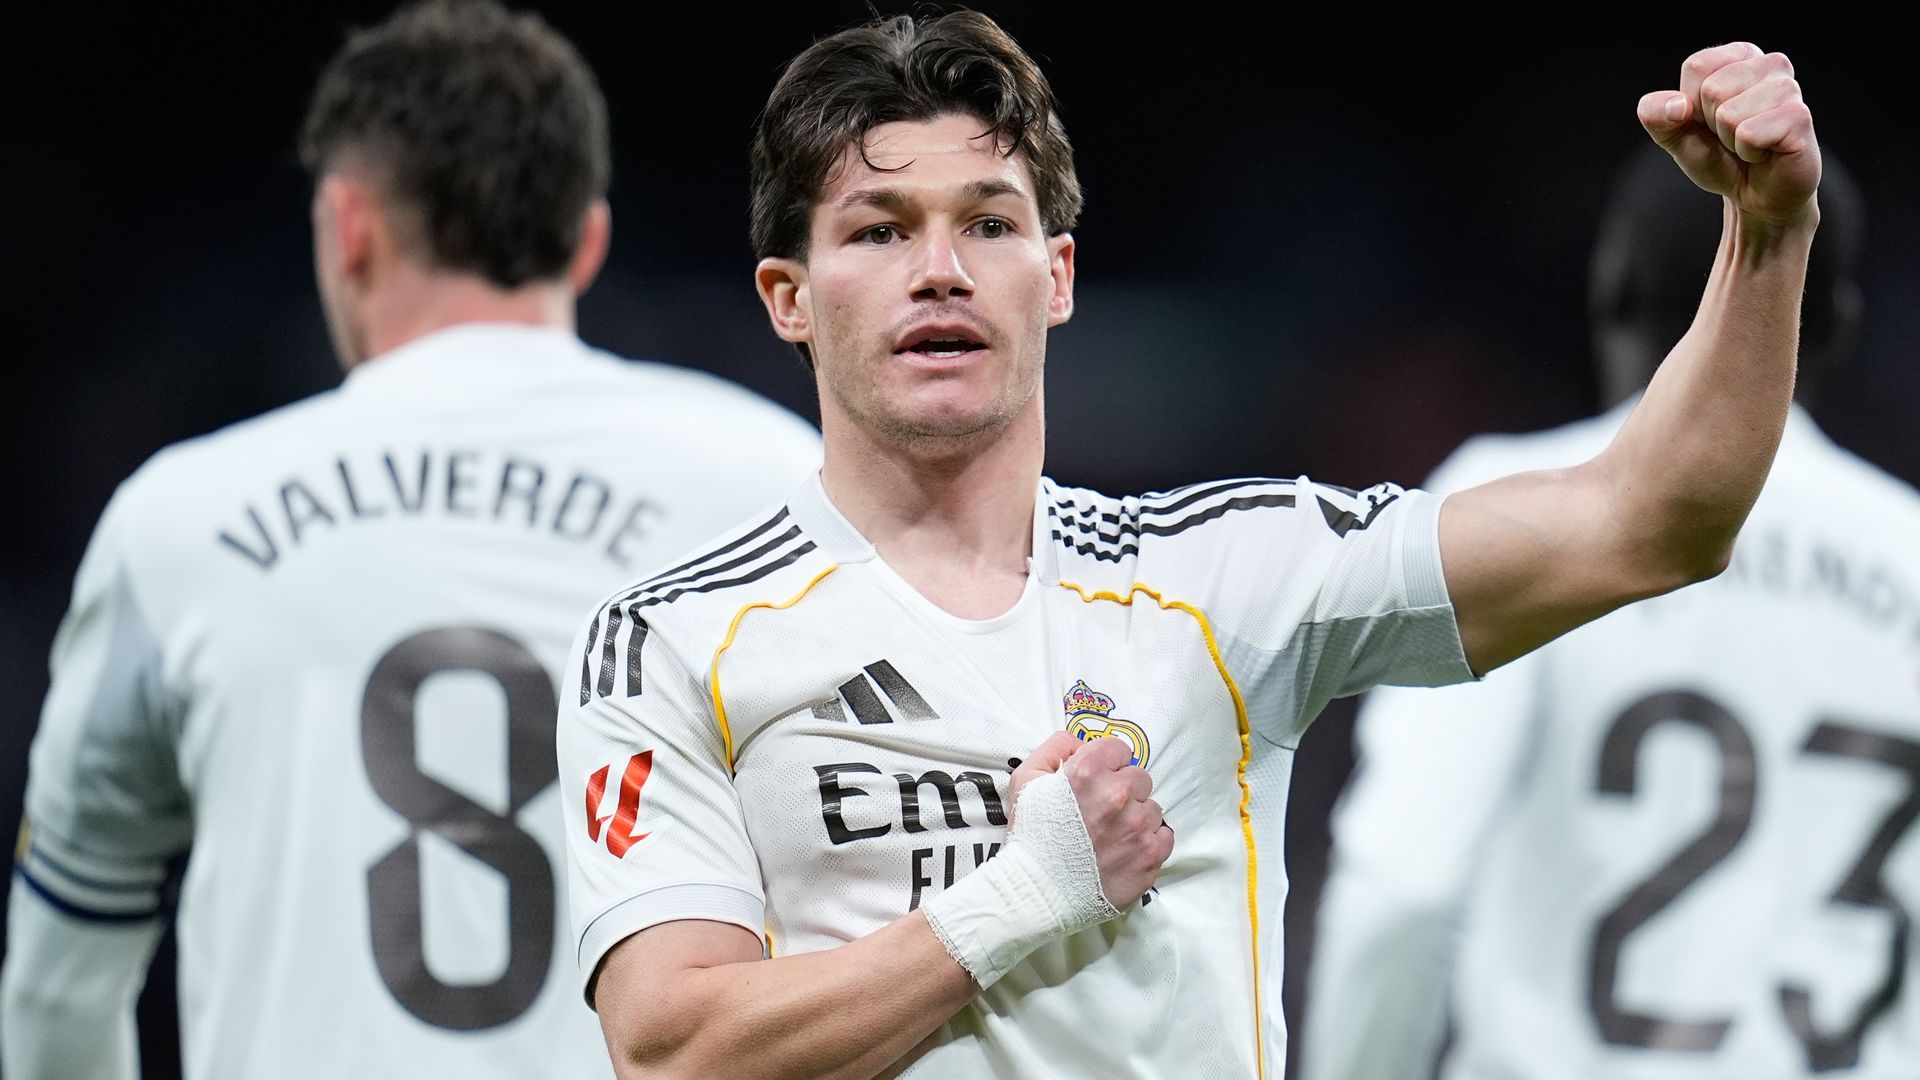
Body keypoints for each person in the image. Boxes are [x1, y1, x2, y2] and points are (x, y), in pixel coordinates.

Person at [555, 10, 1823, 1078]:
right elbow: (671, 1050)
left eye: (988, 224)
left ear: (1055, 278)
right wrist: (1023, 896)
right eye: (879, 230)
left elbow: (1650, 520)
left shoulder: (1226, 575)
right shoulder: (673, 639)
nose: (939, 270)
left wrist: (1768, 235)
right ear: (791, 296)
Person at [0, 1, 823, 1077]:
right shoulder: (774, 485)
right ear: (587, 241)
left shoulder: (180, 521)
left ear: (348, 227)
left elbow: (63, 970)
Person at [1302, 143, 1919, 1079]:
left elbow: (1404, 885)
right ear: (1834, 323)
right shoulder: (1909, 553)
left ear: (1612, 293)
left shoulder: (1500, 501)